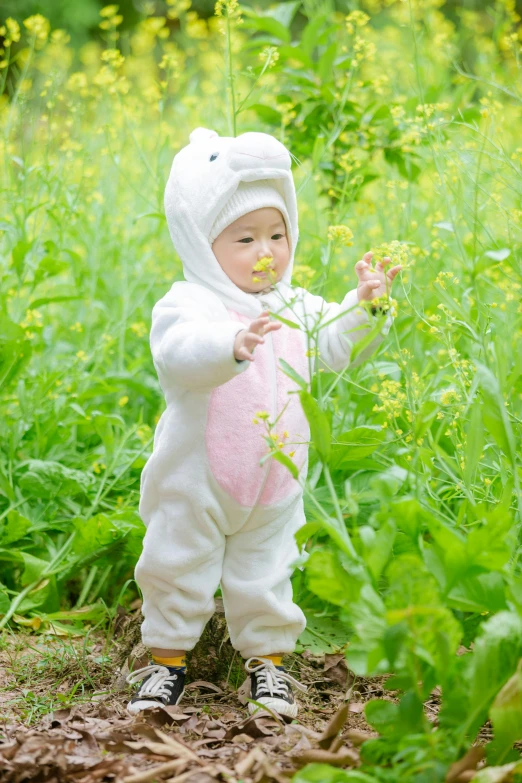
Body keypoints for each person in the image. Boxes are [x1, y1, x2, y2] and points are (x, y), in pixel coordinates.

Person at [126, 127, 402, 718]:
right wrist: (231, 342)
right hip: (194, 481)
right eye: (245, 237)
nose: (266, 251)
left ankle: (268, 667)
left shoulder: (294, 303)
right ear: (203, 244)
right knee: (176, 562)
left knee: (269, 571)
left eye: (277, 234)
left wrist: (367, 306)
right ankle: (165, 664)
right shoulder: (189, 302)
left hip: (274, 482)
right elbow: (178, 351)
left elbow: (334, 343)